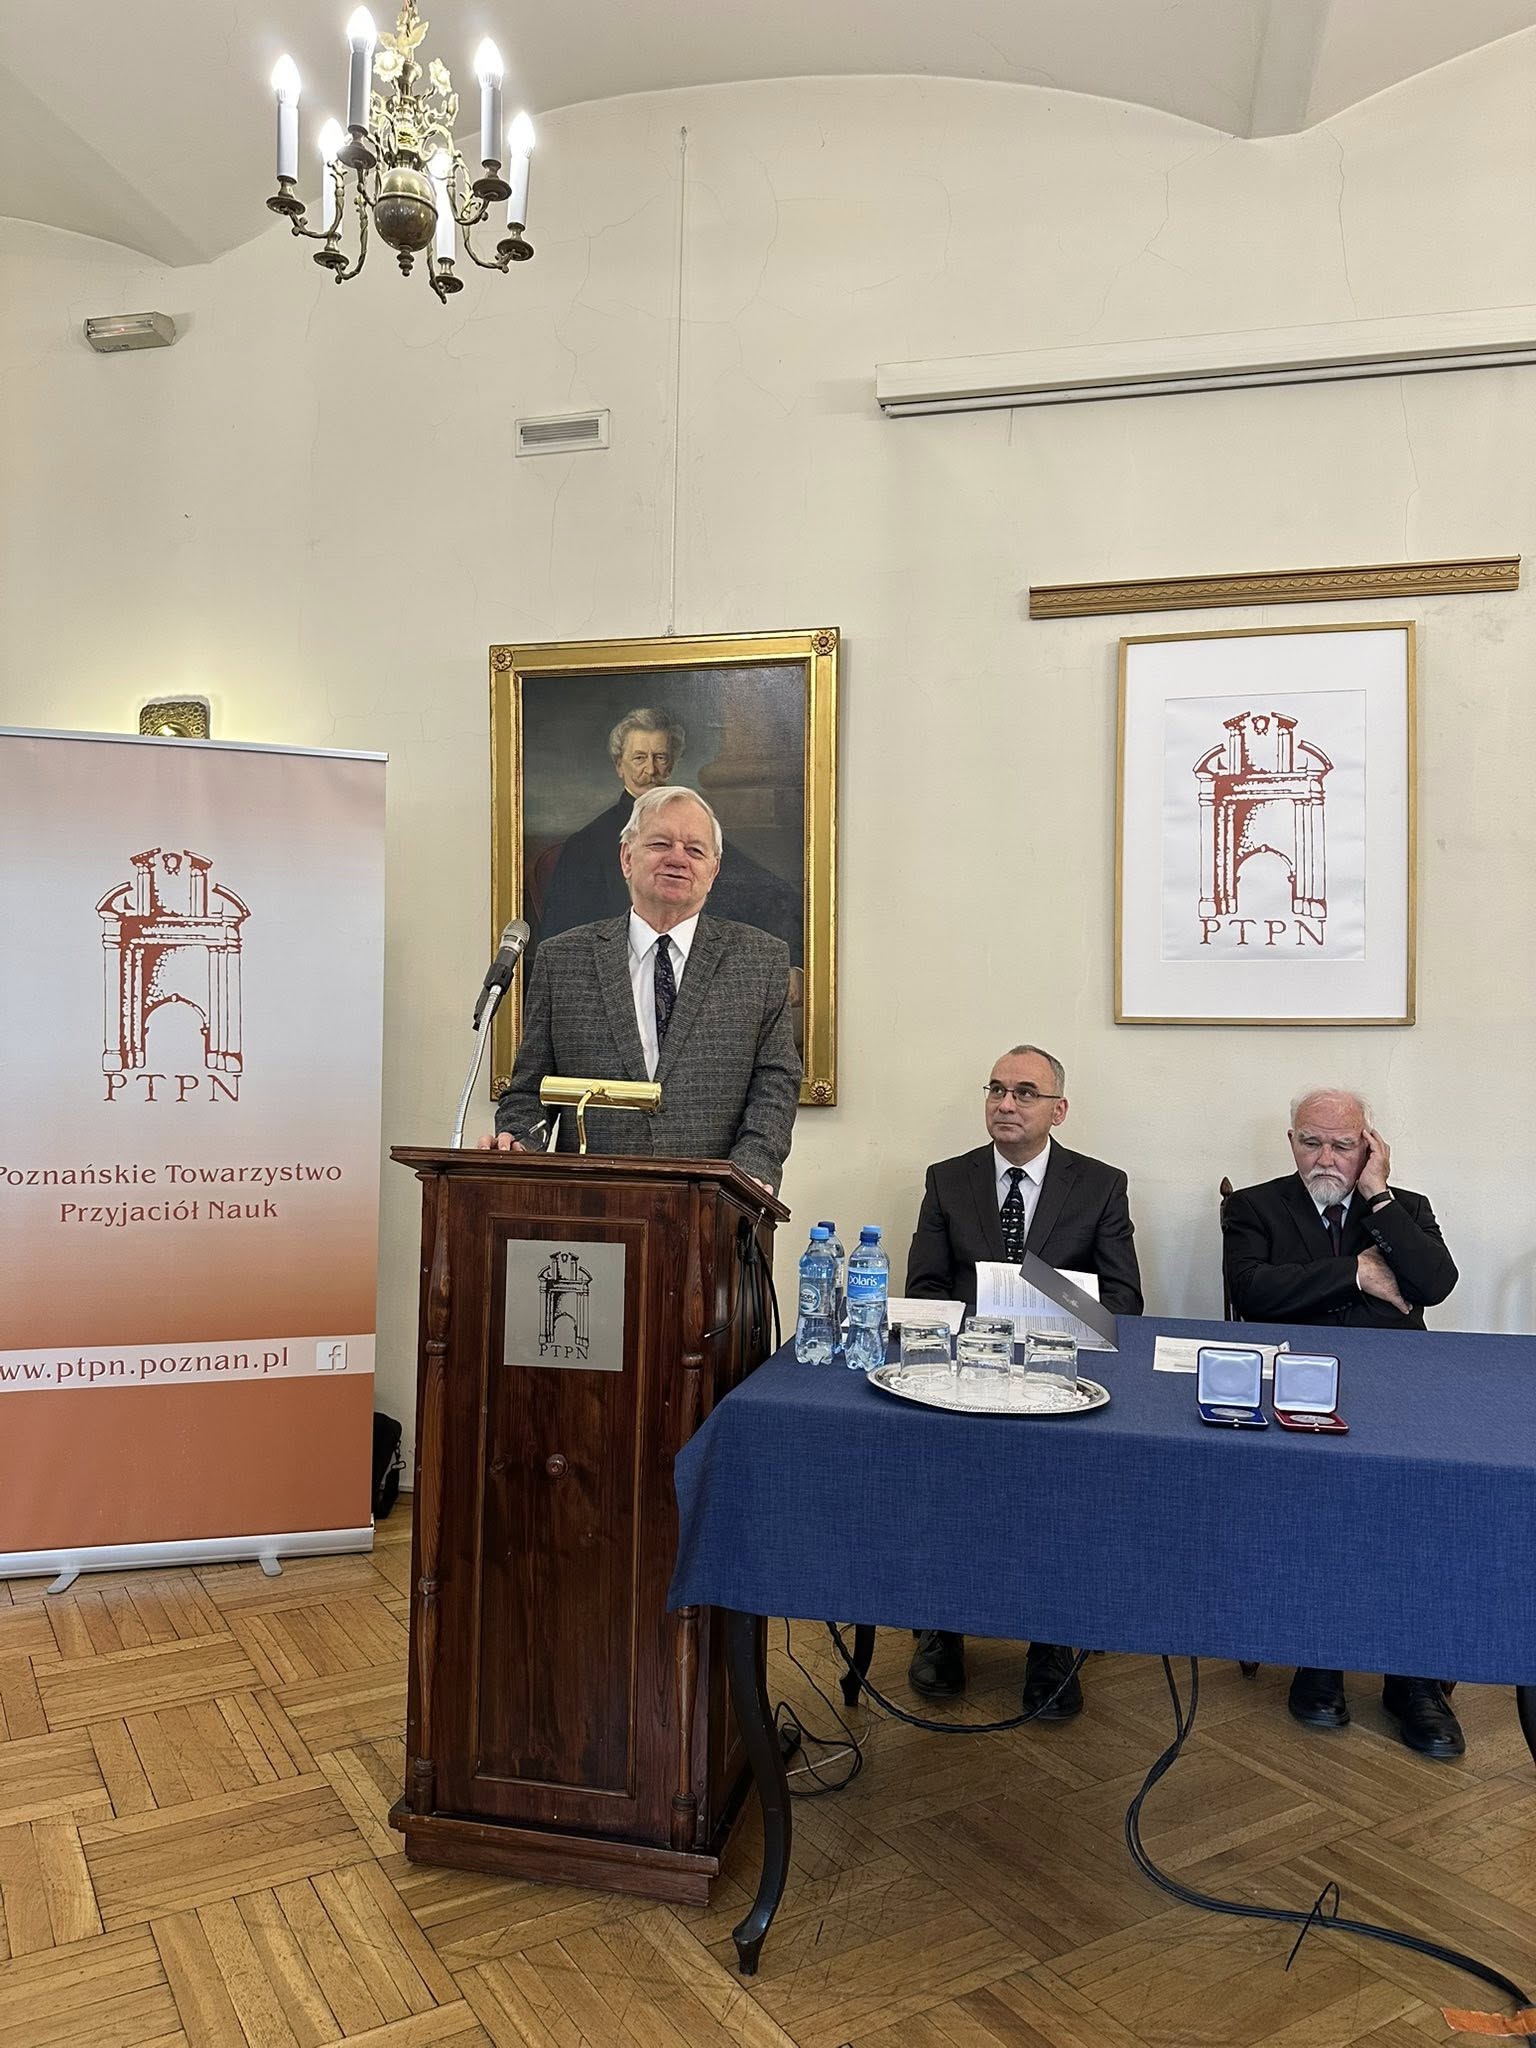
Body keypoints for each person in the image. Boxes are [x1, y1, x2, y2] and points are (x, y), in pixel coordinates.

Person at [903, 1044, 1144, 1718]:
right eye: (996, 1089)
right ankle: (942, 1627)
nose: (1006, 1104)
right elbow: (924, 1290)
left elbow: (1124, 1304)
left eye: (1025, 1093)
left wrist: (1033, 1292)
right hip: (964, 1374)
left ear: (1058, 1110)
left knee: (1059, 1493)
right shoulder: (948, 1179)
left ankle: (1051, 1642)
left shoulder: (1100, 1185)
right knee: (944, 1479)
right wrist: (975, 1342)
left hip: (1056, 1378)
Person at [1222, 1088, 1463, 1757]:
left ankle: (1410, 1679)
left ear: (1370, 1147)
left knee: (1419, 1509)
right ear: (1291, 1142)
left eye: (1343, 1144)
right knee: (1320, 1505)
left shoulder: (1404, 1209)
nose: (1325, 1157)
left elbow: (1435, 1285)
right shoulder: (1255, 1208)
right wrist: (1355, 1273)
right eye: (1311, 1142)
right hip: (1298, 1390)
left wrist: (1377, 1196)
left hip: (1398, 1392)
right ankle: (1320, 1658)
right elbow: (1255, 1291)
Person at [484, 785, 800, 1193]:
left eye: (695, 850)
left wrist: (750, 1170)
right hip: (590, 1203)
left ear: (714, 871)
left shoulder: (759, 961)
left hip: (715, 1204)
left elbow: (776, 1082)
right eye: (660, 844)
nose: (678, 859)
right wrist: (519, 1139)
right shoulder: (563, 960)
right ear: (627, 858)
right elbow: (531, 1089)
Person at [532, 707, 802, 963]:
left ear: (671, 765)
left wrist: (795, 964)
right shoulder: (584, 846)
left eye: (660, 757)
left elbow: (772, 895)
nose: (650, 770)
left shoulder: (697, 833)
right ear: (619, 766)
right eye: (639, 758)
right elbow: (563, 947)